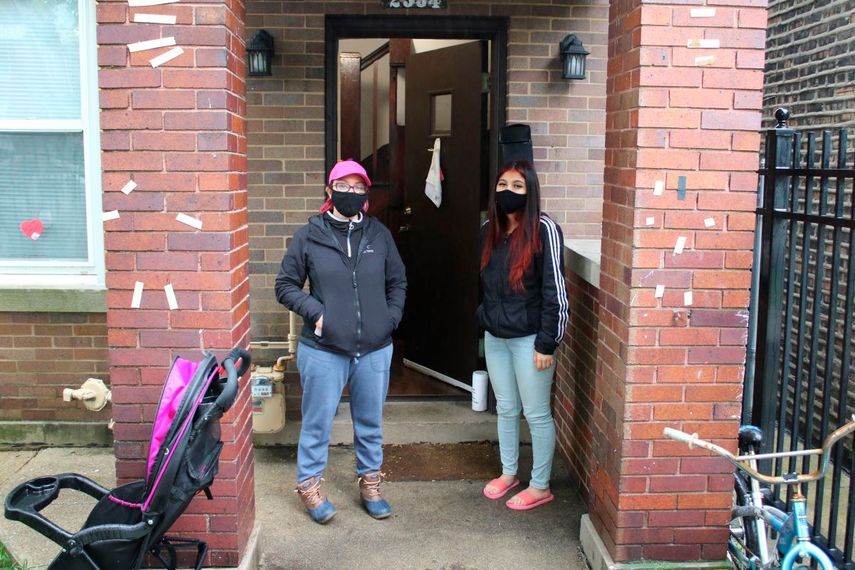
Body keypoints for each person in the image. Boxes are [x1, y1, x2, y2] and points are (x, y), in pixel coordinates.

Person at [275, 159, 407, 524]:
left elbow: (397, 282)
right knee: (317, 423)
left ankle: (371, 483)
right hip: (323, 349)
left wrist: (389, 319)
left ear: (366, 193)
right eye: (343, 186)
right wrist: (319, 314)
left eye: (359, 187)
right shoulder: (309, 235)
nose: (351, 193)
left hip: (375, 347)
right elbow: (285, 286)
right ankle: (309, 485)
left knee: (370, 422)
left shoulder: (379, 234)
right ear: (329, 190)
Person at [477, 160, 568, 511]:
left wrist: (548, 343)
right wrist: (484, 319)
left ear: (531, 191)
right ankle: (509, 472)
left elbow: (555, 291)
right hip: (496, 337)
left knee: (536, 413)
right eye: (503, 185)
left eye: (518, 186)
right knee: (506, 408)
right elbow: (485, 285)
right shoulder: (489, 229)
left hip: (531, 341)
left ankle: (540, 485)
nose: (508, 192)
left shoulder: (545, 229)